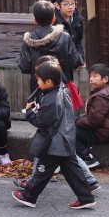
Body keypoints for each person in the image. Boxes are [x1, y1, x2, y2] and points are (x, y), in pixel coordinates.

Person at [11, 60, 95, 209]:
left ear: (48, 81)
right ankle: (86, 197)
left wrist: (29, 112)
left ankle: (28, 196)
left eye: (38, 79)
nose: (37, 82)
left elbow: (42, 121)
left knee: (42, 171)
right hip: (66, 138)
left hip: (54, 142)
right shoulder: (63, 91)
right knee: (72, 171)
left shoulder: (51, 99)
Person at [18, 0, 83, 91]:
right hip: (62, 85)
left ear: (35, 20)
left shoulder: (29, 40)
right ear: (54, 19)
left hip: (39, 87)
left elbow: (24, 67)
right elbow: (74, 62)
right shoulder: (65, 37)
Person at [75, 63, 109, 167]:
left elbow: (93, 121)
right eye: (90, 76)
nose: (91, 79)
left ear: (105, 79)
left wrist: (77, 121)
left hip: (102, 134)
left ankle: (88, 157)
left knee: (70, 133)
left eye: (95, 76)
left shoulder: (100, 97)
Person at [53, 0, 85, 67]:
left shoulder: (78, 19)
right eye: (66, 4)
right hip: (56, 63)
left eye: (73, 3)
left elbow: (78, 41)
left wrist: (80, 59)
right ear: (57, 5)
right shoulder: (53, 21)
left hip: (72, 61)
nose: (70, 7)